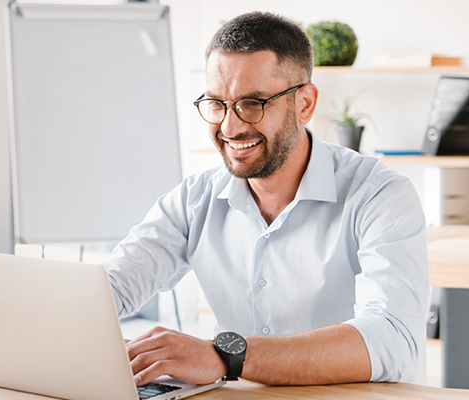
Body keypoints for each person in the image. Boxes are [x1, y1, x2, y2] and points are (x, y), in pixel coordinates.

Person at [103, 12, 429, 386]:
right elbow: (111, 288)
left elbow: (393, 340)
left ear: (304, 103)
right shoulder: (195, 199)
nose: (230, 126)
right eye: (216, 104)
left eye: (252, 103)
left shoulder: (379, 196)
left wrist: (226, 357)